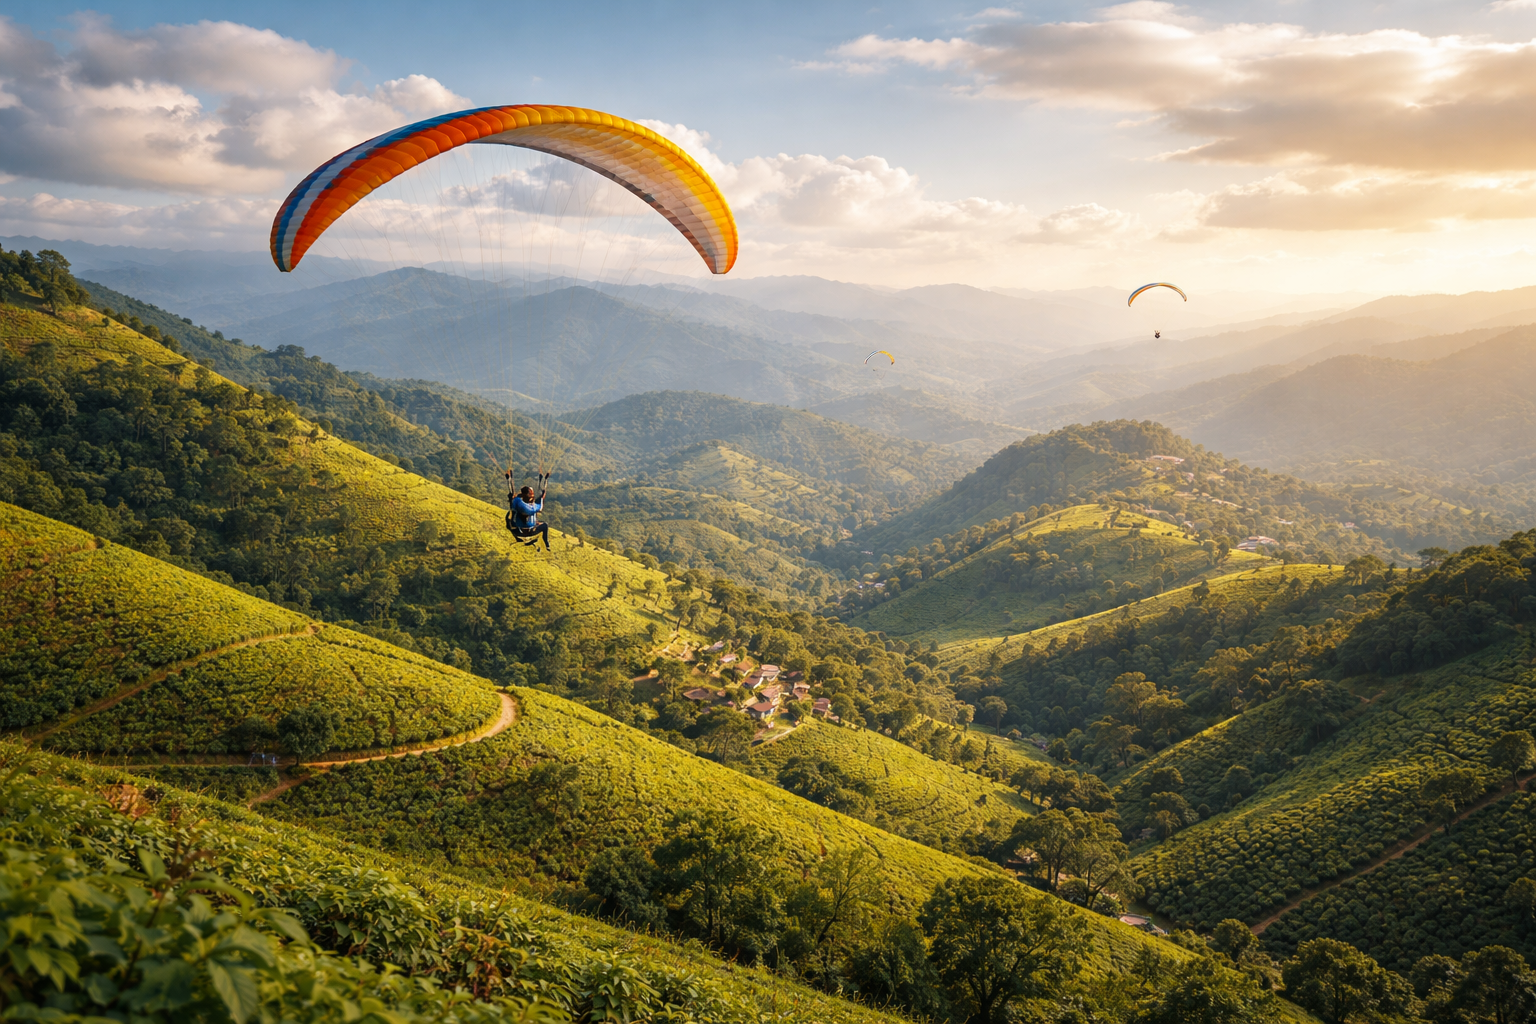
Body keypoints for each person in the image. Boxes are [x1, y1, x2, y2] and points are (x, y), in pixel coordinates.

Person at [505, 472, 551, 550]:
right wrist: (545, 481)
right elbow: (542, 497)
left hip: (517, 531)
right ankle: (546, 543)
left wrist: (509, 479)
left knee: (509, 515)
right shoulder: (533, 507)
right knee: (545, 525)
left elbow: (512, 495)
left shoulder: (517, 502)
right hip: (529, 531)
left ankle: (517, 536)